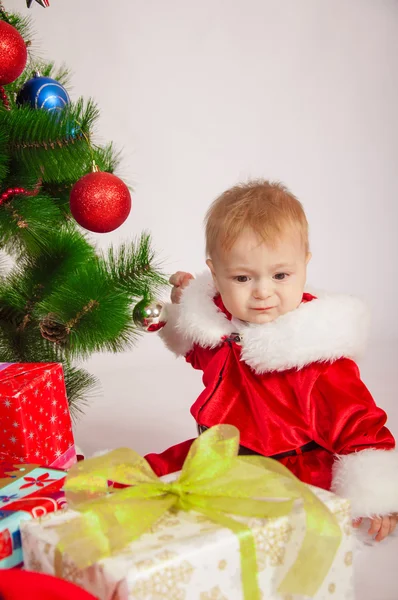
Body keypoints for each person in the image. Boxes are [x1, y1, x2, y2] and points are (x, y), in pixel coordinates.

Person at [145, 180, 398, 542]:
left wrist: (379, 495)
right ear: (216, 275)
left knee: (223, 531)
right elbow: (204, 355)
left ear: (304, 265)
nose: (263, 291)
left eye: (280, 275)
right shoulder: (225, 328)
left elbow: (358, 423)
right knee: (153, 472)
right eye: (242, 278)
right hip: (224, 453)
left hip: (288, 468)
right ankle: (76, 497)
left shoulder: (314, 354)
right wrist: (184, 310)